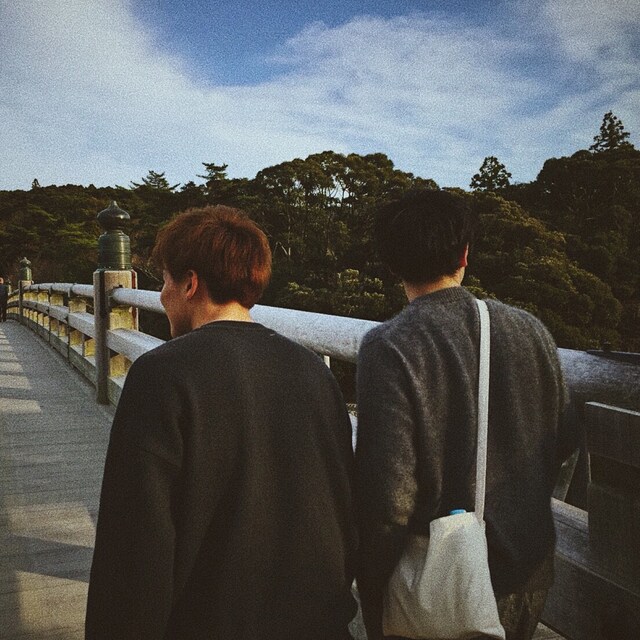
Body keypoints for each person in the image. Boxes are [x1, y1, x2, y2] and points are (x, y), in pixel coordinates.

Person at [86, 206, 357, 639]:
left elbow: (136, 547)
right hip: (320, 623)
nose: (162, 295)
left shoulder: (162, 375)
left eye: (165, 281)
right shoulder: (314, 371)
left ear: (190, 284)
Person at [354, 189, 578, 640]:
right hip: (524, 571)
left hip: (439, 578)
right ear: (464, 255)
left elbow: (390, 498)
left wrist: (371, 581)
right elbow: (563, 438)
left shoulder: (389, 345)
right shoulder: (530, 330)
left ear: (392, 264)